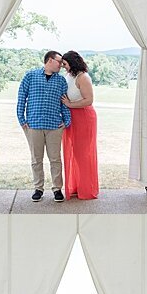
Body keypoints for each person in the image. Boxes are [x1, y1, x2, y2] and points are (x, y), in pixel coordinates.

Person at [17, 51, 72, 203]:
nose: (61, 65)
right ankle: (38, 188)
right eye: (59, 61)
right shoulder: (30, 76)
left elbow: (64, 103)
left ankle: (57, 189)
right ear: (49, 60)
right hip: (34, 125)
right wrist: (22, 120)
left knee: (55, 159)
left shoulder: (61, 81)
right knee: (36, 159)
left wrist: (66, 121)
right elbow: (22, 98)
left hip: (54, 126)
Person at [60, 51, 99, 200]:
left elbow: (89, 100)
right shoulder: (70, 76)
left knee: (83, 154)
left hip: (84, 117)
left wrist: (70, 104)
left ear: (72, 62)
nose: (63, 66)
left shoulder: (83, 77)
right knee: (74, 153)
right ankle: (76, 186)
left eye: (65, 64)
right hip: (71, 117)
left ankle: (86, 189)